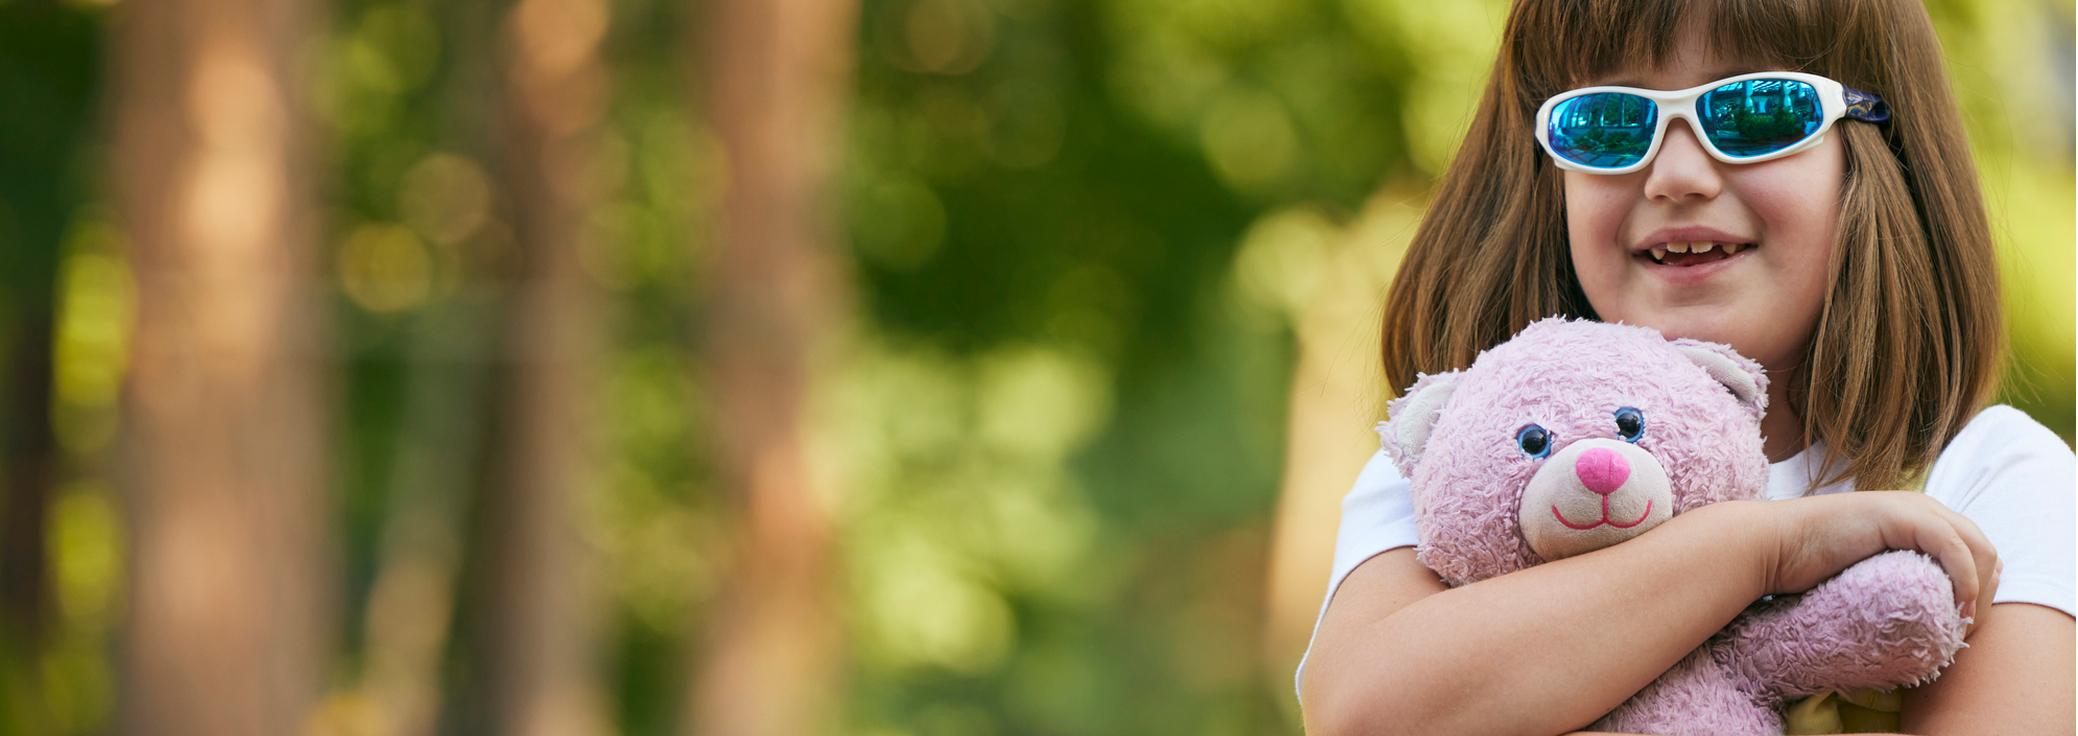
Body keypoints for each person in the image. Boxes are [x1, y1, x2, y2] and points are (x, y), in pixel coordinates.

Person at [1293, 1, 2077, 734]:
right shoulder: (1462, 462)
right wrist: (1763, 550)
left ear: (1875, 150)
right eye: (1608, 121)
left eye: (1757, 111)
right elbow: (1364, 709)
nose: (1676, 176)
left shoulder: (1991, 480)